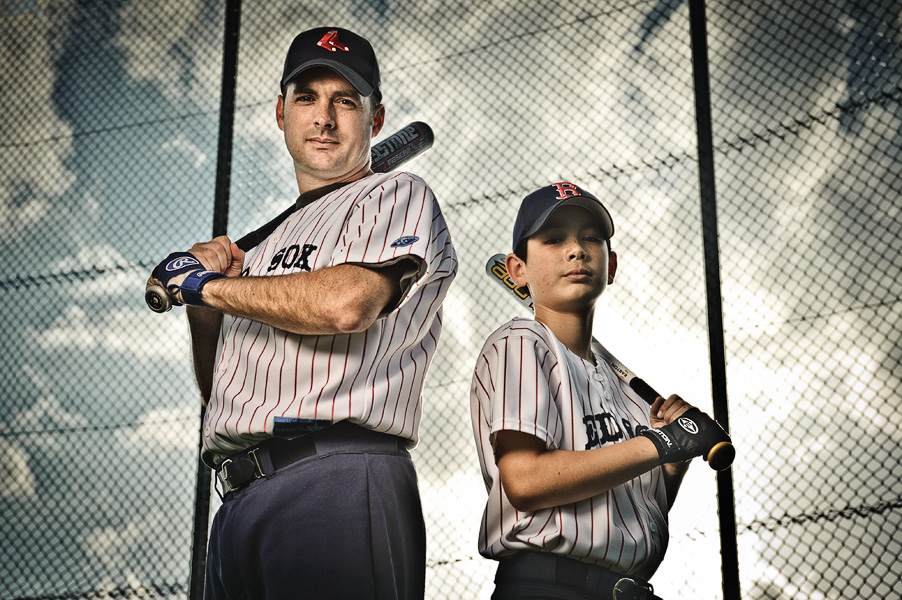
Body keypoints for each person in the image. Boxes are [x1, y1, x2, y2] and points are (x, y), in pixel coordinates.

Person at [148, 27, 457, 599]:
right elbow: (222, 390)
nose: (324, 118)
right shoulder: (259, 254)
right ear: (281, 113)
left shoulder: (393, 196)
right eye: (308, 98)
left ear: (377, 118)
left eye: (345, 101)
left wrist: (209, 287)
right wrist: (202, 305)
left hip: (336, 480)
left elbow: (348, 304)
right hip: (238, 503)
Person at [469, 182, 729, 600]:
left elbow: (633, 517)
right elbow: (524, 479)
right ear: (518, 270)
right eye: (554, 240)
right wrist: (662, 442)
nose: (576, 250)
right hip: (548, 588)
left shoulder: (625, 392)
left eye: (591, 238)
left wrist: (672, 462)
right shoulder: (521, 341)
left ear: (611, 266)